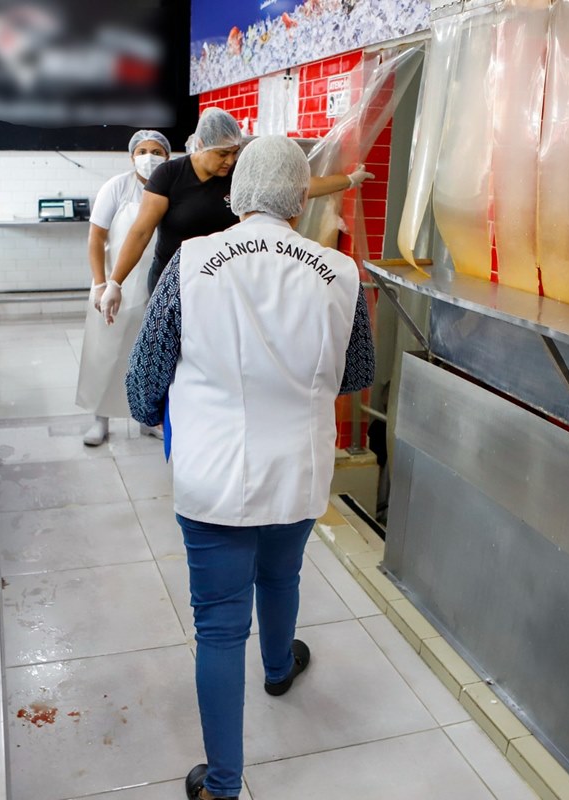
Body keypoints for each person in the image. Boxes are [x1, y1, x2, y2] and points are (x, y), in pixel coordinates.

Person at [125, 136, 376, 800]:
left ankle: (222, 784)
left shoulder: (192, 262)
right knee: (281, 572)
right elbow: (357, 373)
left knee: (219, 624)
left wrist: (164, 409)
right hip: (298, 468)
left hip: (211, 475)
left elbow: (143, 383)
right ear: (300, 198)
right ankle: (278, 667)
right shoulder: (341, 272)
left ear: (237, 195)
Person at [99, 107, 374, 323]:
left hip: (221, 277)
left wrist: (349, 180)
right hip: (175, 277)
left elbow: (297, 186)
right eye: (222, 154)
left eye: (234, 152)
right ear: (201, 144)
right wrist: (115, 282)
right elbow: (141, 232)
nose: (230, 161)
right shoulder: (169, 175)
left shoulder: (238, 174)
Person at [76, 130, 171, 446]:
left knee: (151, 355)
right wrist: (100, 283)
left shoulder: (172, 186)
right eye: (142, 151)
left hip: (155, 284)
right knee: (105, 352)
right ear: (131, 157)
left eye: (156, 151)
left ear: (168, 156)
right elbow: (96, 237)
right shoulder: (116, 187)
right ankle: (100, 420)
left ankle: (148, 419)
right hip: (116, 284)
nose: (149, 157)